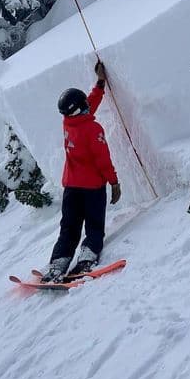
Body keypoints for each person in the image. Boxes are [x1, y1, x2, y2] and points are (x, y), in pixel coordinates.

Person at [41, 61, 121, 283]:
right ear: (78, 109)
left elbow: (88, 106)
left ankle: (58, 262)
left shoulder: (69, 123)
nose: (87, 104)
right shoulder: (92, 129)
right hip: (92, 189)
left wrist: (100, 83)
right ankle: (86, 258)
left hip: (71, 187)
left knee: (69, 227)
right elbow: (103, 160)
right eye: (83, 104)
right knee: (94, 225)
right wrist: (114, 183)